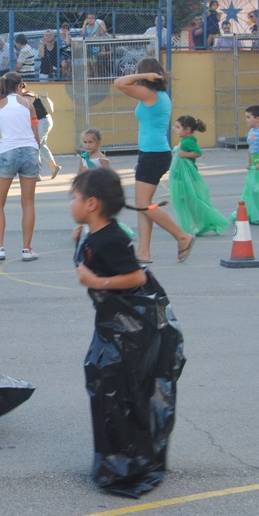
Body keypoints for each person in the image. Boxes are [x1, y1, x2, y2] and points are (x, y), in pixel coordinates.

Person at [71, 167, 184, 498]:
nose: (72, 204)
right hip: (113, 325)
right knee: (106, 384)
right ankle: (116, 457)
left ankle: (131, 462)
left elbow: (136, 277)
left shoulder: (113, 239)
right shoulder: (95, 233)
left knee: (118, 388)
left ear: (92, 204)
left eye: (75, 198)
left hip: (132, 329)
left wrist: (97, 282)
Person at [112, 58, 195, 264]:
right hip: (152, 153)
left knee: (143, 204)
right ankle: (144, 252)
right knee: (144, 204)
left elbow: (119, 83)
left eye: (139, 72)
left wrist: (142, 76)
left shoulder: (149, 94)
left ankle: (182, 236)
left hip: (154, 154)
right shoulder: (158, 96)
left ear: (147, 74)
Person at [0, 72, 40, 263]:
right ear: (20, 86)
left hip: (8, 151)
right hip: (30, 150)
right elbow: (36, 134)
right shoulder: (28, 104)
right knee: (28, 203)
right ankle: (27, 249)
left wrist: (2, 153)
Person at [168, 115, 231, 236]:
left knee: (191, 200)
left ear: (187, 129)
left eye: (178, 127)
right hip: (181, 177)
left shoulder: (189, 141)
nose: (175, 129)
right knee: (186, 200)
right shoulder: (185, 140)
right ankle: (195, 223)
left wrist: (184, 154)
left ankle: (202, 221)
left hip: (187, 177)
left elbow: (198, 153)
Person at [32, 89, 60, 179]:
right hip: (43, 121)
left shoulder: (27, 96)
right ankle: (54, 167)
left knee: (36, 145)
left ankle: (36, 173)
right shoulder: (28, 95)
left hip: (42, 121)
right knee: (41, 145)